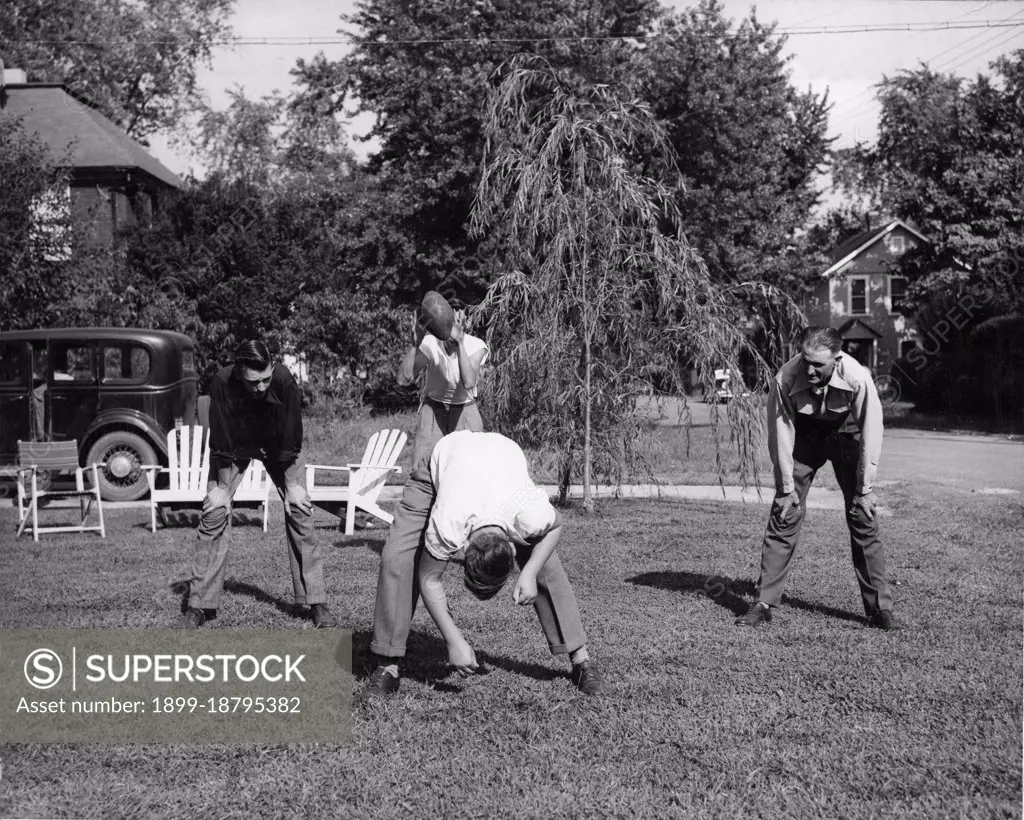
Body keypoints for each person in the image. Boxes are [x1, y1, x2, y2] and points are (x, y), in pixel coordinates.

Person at [364, 430, 602, 696]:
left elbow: (556, 524)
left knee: (546, 564)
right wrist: (454, 640)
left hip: (500, 466)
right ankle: (388, 666)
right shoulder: (450, 522)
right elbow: (429, 577)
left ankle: (581, 659)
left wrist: (530, 572)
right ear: (463, 545)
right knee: (398, 557)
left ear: (513, 546)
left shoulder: (528, 513)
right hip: (438, 467)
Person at [735, 326, 895, 630]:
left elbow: (872, 431)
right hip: (805, 437)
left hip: (846, 434)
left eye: (818, 364)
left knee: (863, 515)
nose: (809, 369)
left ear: (836, 360)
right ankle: (763, 603)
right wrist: (785, 489)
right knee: (784, 513)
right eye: (805, 360)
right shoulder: (786, 377)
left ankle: (879, 611)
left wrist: (865, 489)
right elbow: (781, 433)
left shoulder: (857, 377)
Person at [181, 340, 337, 629]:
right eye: (255, 382)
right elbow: (222, 440)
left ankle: (316, 602)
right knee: (213, 514)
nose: (263, 387)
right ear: (239, 372)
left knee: (300, 512)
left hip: (279, 448)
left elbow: (291, 434)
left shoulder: (284, 380)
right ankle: (200, 604)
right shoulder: (221, 383)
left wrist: (292, 485)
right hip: (235, 448)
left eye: (266, 378)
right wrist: (223, 490)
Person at [396, 306, 489, 473]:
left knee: (469, 473)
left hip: (464, 412)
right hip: (433, 412)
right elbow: (404, 380)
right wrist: (414, 344)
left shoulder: (476, 345)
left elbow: (469, 382)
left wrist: (460, 343)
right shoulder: (430, 343)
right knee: (422, 472)